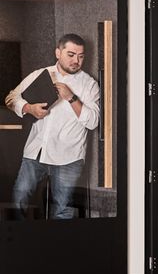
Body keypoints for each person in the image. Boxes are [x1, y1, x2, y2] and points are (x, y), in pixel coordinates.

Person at [6, 33, 100, 219]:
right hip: (36, 152)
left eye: (81, 56)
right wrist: (28, 108)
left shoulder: (89, 84)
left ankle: (56, 247)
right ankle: (21, 244)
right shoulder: (40, 74)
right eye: (71, 55)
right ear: (58, 52)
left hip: (68, 157)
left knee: (63, 210)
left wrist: (71, 98)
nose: (76, 61)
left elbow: (93, 121)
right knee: (18, 199)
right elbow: (11, 98)